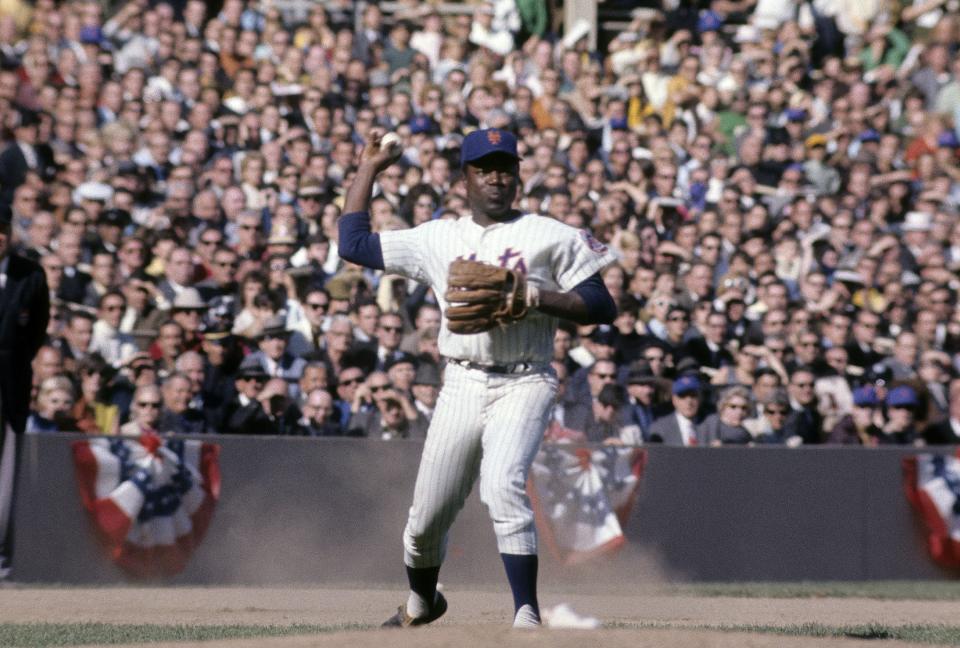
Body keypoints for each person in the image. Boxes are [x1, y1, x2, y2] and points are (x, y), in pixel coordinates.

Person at [337, 128, 616, 628]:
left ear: (517, 175)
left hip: (525, 378)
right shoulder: (439, 237)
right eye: (483, 168)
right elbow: (353, 244)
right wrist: (368, 170)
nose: (495, 178)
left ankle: (526, 614)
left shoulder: (550, 234)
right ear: (465, 178)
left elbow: (601, 305)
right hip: (463, 381)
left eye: (504, 168)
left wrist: (535, 296)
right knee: (425, 521)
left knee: (503, 484)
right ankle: (423, 603)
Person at [0, 204, 49, 578]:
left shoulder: (30, 275)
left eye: (3, 229)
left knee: (5, 470)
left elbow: (35, 331)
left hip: (9, 384)